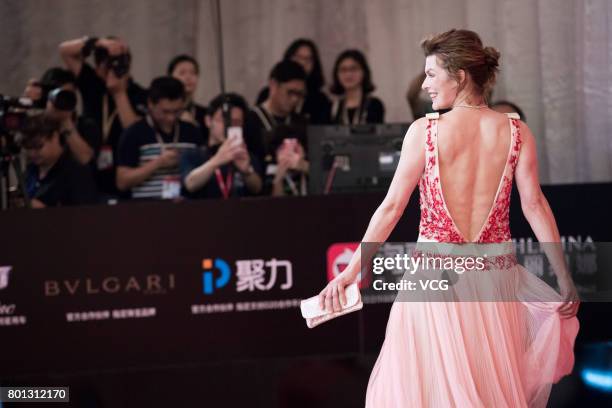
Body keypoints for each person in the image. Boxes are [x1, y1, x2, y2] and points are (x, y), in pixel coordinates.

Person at [317, 29, 580, 407]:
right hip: (495, 283)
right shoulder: (516, 131)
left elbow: (392, 207)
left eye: (431, 74)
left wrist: (352, 270)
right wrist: (564, 277)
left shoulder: (425, 131)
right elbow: (534, 204)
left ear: (459, 76)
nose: (425, 85)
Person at [59, 36, 147, 198]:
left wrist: (119, 93)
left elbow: (134, 133)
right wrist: (99, 42)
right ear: (98, 67)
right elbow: (65, 51)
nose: (113, 71)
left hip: (125, 175)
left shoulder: (138, 94)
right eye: (108, 65)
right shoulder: (92, 83)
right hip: (90, 172)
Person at [116, 77, 203, 200]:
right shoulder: (134, 133)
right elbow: (122, 182)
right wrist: (158, 163)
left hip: (187, 207)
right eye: (165, 112)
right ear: (150, 104)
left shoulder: (192, 132)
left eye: (177, 111)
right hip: (147, 210)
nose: (171, 118)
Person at [244, 60, 309, 195]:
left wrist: (303, 165)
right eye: (290, 92)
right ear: (273, 85)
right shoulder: (250, 121)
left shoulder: (301, 122)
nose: (295, 99)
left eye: (299, 94)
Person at [181, 93, 262, 199]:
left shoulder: (245, 155)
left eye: (236, 122)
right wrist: (216, 161)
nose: (228, 126)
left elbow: (257, 188)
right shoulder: (193, 154)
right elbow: (190, 184)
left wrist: (247, 172)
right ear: (208, 121)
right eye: (224, 120)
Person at [22, 113, 98, 207]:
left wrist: (46, 211)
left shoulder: (75, 171)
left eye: (38, 146)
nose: (32, 153)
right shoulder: (30, 171)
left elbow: (85, 213)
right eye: (28, 148)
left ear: (55, 137)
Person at [255, 39, 331, 124]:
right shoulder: (268, 93)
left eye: (308, 59)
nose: (303, 62)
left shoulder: (320, 100)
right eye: (299, 57)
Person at [36, 67, 102, 166]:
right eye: (58, 95)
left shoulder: (87, 126)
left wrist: (65, 121)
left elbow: (85, 158)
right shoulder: (36, 125)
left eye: (67, 95)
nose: (62, 100)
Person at [329, 49, 385, 124]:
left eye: (353, 69)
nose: (348, 75)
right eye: (343, 70)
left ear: (364, 72)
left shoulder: (374, 105)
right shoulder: (333, 107)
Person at [167, 54, 209, 141]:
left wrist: (194, 126)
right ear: (170, 77)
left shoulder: (205, 114)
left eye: (193, 73)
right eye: (182, 73)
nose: (188, 77)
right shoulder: (164, 111)